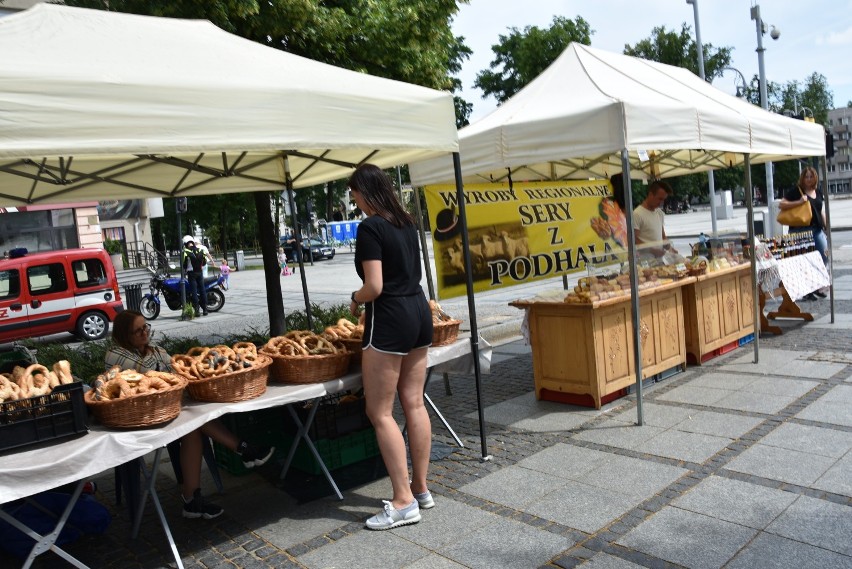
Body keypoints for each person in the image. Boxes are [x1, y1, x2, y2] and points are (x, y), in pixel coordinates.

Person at [105, 310, 273, 519]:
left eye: (145, 327)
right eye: (137, 331)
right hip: (136, 418)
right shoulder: (115, 354)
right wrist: (164, 364)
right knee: (193, 420)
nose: (144, 333)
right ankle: (243, 448)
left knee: (193, 426)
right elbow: (149, 372)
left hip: (164, 410)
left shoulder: (155, 350)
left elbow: (175, 372)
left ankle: (192, 500)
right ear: (123, 336)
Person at [347, 164, 434, 531]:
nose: (355, 204)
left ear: (365, 193)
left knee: (380, 411)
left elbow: (375, 286)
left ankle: (402, 502)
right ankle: (421, 488)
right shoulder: (406, 222)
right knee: (413, 401)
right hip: (418, 310)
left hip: (390, 318)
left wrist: (354, 297)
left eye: (355, 197)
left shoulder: (370, 227)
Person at [781, 166, 828, 300]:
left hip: (816, 229)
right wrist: (799, 201)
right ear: (802, 178)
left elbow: (820, 210)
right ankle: (807, 291)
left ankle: (816, 285)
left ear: (815, 177)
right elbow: (782, 205)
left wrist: (826, 227)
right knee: (804, 262)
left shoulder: (818, 192)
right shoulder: (796, 191)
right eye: (806, 176)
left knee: (824, 256)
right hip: (799, 230)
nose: (808, 179)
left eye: (811, 176)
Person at [633, 180, 678, 255]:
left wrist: (670, 248)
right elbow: (634, 240)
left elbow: (663, 237)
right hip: (644, 261)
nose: (662, 202)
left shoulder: (659, 213)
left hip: (659, 260)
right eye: (660, 199)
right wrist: (653, 251)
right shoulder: (637, 214)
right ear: (651, 195)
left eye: (664, 199)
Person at [182, 236, 208, 316]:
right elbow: (204, 262)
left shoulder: (185, 252)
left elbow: (184, 264)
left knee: (194, 291)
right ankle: (205, 309)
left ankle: (197, 311)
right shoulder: (200, 250)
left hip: (192, 274)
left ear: (185, 244)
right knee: (202, 290)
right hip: (200, 272)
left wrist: (186, 268)